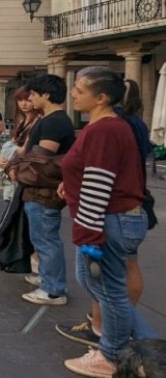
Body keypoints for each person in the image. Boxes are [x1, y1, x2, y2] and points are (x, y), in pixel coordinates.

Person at [59, 67, 156, 378]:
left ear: (101, 98)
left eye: (80, 90)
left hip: (109, 219)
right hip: (115, 217)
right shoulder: (106, 127)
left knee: (108, 289)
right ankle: (141, 347)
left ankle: (112, 357)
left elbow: (99, 182)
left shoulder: (104, 130)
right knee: (97, 284)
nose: (73, 94)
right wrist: (70, 185)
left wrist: (88, 233)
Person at [15, 74, 74, 306]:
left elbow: (42, 157)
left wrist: (19, 165)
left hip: (44, 189)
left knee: (45, 238)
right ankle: (47, 278)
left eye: (34, 94)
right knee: (41, 237)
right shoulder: (49, 119)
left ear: (46, 95)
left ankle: (53, 289)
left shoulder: (54, 121)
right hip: (39, 189)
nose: (30, 99)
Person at [0, 86, 40, 203]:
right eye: (20, 100)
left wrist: (5, 161)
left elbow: (23, 150)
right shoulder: (21, 121)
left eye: (27, 100)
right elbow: (13, 144)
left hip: (25, 170)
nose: (23, 104)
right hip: (14, 167)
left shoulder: (38, 121)